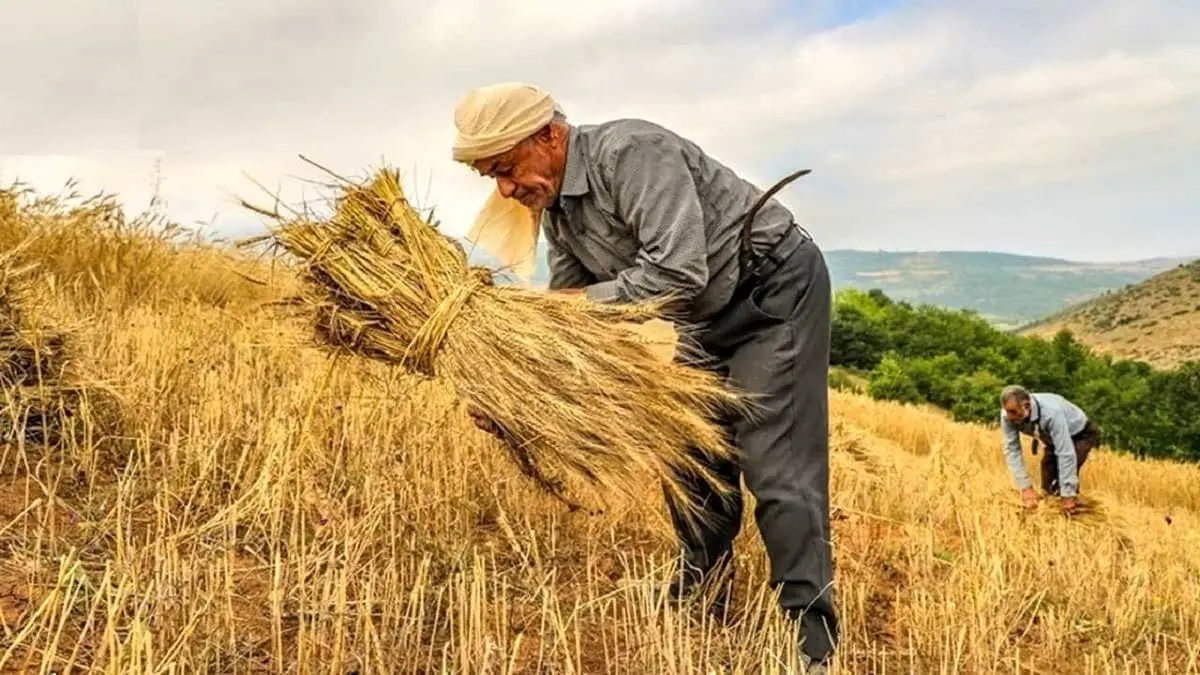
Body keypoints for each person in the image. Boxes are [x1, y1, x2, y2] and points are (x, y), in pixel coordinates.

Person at [450, 81, 838, 672]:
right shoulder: (560, 212)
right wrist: (516, 385)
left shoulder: (631, 153)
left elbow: (677, 270)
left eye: (507, 168)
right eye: (492, 178)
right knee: (690, 455)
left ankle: (811, 637)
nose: (506, 189)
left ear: (549, 136)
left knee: (775, 463)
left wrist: (571, 309)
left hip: (770, 291)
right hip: (700, 314)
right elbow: (577, 321)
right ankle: (699, 593)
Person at [999, 385, 1101, 514]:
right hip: (1050, 436)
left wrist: (1067, 494)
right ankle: (1050, 518)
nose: (1009, 416)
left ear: (1026, 406)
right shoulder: (1007, 415)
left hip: (1080, 434)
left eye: (1012, 412)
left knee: (1061, 481)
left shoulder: (1051, 413)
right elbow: (1012, 450)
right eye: (1006, 411)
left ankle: (1073, 512)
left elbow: (1066, 453)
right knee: (1048, 483)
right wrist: (1025, 488)